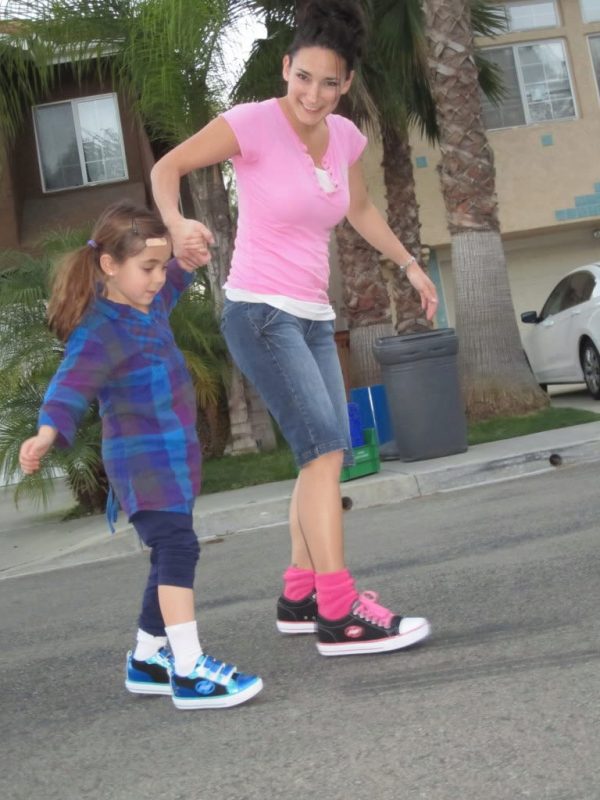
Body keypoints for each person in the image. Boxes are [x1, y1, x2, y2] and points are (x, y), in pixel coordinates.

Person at [151, 0, 438, 657]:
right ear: (286, 68)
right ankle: (339, 611)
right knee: (325, 451)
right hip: (260, 312)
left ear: (347, 84)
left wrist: (411, 266)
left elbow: (359, 208)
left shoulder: (344, 138)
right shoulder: (252, 123)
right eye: (304, 77)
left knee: (321, 453)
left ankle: (301, 593)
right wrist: (176, 221)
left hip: (312, 317)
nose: (313, 94)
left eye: (329, 83)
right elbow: (167, 168)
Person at [18, 200, 262, 709]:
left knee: (170, 549)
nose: (157, 278)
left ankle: (149, 658)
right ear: (110, 265)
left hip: (174, 459)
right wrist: (46, 432)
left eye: (161, 266)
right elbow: (69, 385)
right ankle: (189, 669)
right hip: (142, 464)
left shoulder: (149, 306)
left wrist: (188, 257)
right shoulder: (100, 330)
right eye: (147, 267)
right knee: (178, 548)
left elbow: (175, 279)